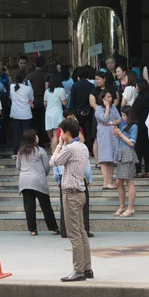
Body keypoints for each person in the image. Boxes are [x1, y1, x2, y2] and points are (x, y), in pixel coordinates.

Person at [49, 118, 93, 282]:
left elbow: (53, 161)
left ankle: (78, 270)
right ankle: (87, 268)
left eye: (62, 133)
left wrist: (59, 145)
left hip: (70, 194)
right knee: (81, 232)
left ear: (67, 133)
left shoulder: (70, 148)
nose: (60, 135)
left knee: (74, 233)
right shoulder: (83, 147)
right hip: (80, 192)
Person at [17, 129, 59, 236]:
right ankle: (54, 228)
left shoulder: (20, 151)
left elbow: (18, 166)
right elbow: (47, 165)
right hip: (38, 180)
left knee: (29, 206)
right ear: (34, 138)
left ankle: (33, 230)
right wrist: (42, 174)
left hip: (24, 181)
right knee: (45, 205)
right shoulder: (40, 150)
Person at [112, 106, 138, 218]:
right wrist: (117, 135)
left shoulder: (134, 126)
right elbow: (123, 140)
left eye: (124, 115)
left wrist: (120, 134)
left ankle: (130, 208)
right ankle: (122, 206)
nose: (123, 118)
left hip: (128, 153)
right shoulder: (124, 126)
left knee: (129, 181)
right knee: (119, 181)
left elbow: (131, 143)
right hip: (122, 153)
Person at [95, 90, 120, 190]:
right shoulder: (98, 108)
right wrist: (107, 107)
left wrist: (110, 123)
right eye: (108, 97)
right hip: (104, 134)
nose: (110, 99)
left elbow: (119, 119)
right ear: (103, 98)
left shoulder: (114, 108)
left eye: (110, 97)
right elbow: (103, 119)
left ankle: (110, 182)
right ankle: (105, 182)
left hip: (112, 133)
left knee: (111, 159)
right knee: (105, 159)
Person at [90, 71, 118, 160]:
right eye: (96, 79)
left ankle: (112, 159)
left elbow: (116, 100)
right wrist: (101, 111)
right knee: (96, 138)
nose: (97, 81)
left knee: (113, 137)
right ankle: (98, 160)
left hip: (112, 115)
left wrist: (110, 108)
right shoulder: (94, 90)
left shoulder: (112, 89)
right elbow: (92, 103)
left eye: (98, 79)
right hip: (98, 116)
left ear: (104, 79)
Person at [69, 66, 95, 153]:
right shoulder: (91, 86)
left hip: (77, 112)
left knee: (78, 130)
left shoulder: (75, 86)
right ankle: (89, 148)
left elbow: (72, 100)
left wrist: (71, 112)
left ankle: (79, 149)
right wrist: (87, 109)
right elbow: (91, 100)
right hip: (88, 112)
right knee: (88, 131)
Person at [10, 71, 34, 159]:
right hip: (26, 114)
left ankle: (16, 153)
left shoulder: (12, 86)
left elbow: (11, 97)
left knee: (16, 134)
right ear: (25, 78)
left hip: (15, 113)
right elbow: (31, 99)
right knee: (26, 134)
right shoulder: (28, 88)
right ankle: (27, 152)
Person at [27, 57, 49, 147]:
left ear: (34, 64)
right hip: (45, 101)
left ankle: (34, 141)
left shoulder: (30, 75)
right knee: (43, 122)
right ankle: (44, 141)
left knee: (34, 122)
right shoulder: (47, 75)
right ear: (44, 64)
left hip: (33, 101)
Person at [132, 80, 149, 178]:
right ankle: (148, 170)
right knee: (146, 149)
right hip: (147, 125)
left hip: (139, 125)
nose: (135, 88)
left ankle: (138, 170)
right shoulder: (147, 98)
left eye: (136, 86)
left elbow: (134, 111)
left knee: (139, 148)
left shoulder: (140, 98)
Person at [44, 74, 67, 152]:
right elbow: (64, 103)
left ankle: (52, 146)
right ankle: (54, 152)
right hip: (57, 113)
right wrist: (68, 97)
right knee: (55, 134)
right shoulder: (61, 90)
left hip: (48, 113)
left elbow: (45, 103)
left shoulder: (47, 91)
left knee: (51, 134)